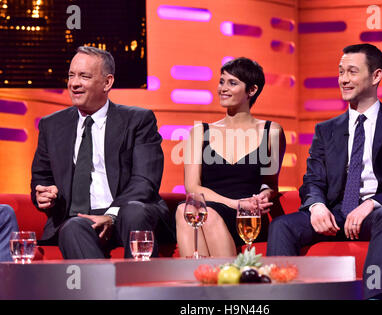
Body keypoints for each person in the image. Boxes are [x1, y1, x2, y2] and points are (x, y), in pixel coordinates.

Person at [266, 44, 382, 299]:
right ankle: (278, 298)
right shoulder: (327, 130)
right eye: (340, 72)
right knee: (282, 226)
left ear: (376, 76)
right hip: (336, 214)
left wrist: (372, 204)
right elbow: (312, 180)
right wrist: (316, 206)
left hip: (378, 216)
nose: (343, 79)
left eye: (352, 72)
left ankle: (374, 296)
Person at [30, 46, 174, 259]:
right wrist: (42, 195)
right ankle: (101, 292)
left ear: (107, 82)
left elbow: (144, 182)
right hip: (79, 218)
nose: (74, 83)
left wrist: (111, 215)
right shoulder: (52, 125)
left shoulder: (138, 120)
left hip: (127, 214)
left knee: (134, 211)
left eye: (84, 76)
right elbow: (41, 178)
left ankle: (139, 290)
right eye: (71, 75)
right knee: (72, 228)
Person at [176, 57, 286, 257]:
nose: (222, 88)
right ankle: (205, 282)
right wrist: (235, 204)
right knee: (187, 209)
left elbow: (270, 184)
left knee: (196, 213)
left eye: (232, 83)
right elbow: (193, 188)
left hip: (248, 219)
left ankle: (223, 284)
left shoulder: (271, 132)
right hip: (214, 210)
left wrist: (264, 195)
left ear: (251, 90)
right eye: (221, 81)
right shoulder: (200, 132)